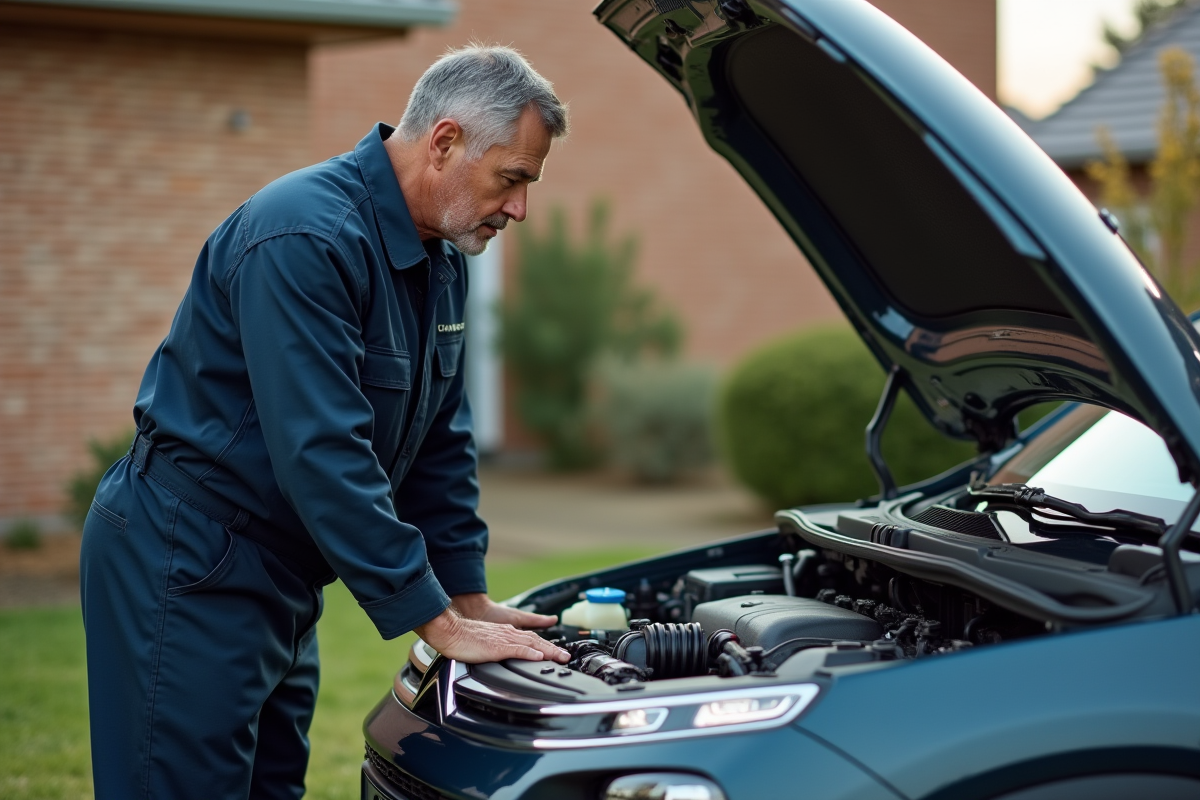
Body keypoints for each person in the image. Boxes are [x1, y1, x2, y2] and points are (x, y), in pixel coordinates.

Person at [79, 45, 571, 800]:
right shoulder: (306, 236)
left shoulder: (440, 260)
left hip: (281, 571)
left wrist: (465, 593)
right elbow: (321, 450)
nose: (519, 209)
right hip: (186, 560)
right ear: (444, 142)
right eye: (512, 179)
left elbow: (440, 439)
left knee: (272, 788)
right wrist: (431, 620)